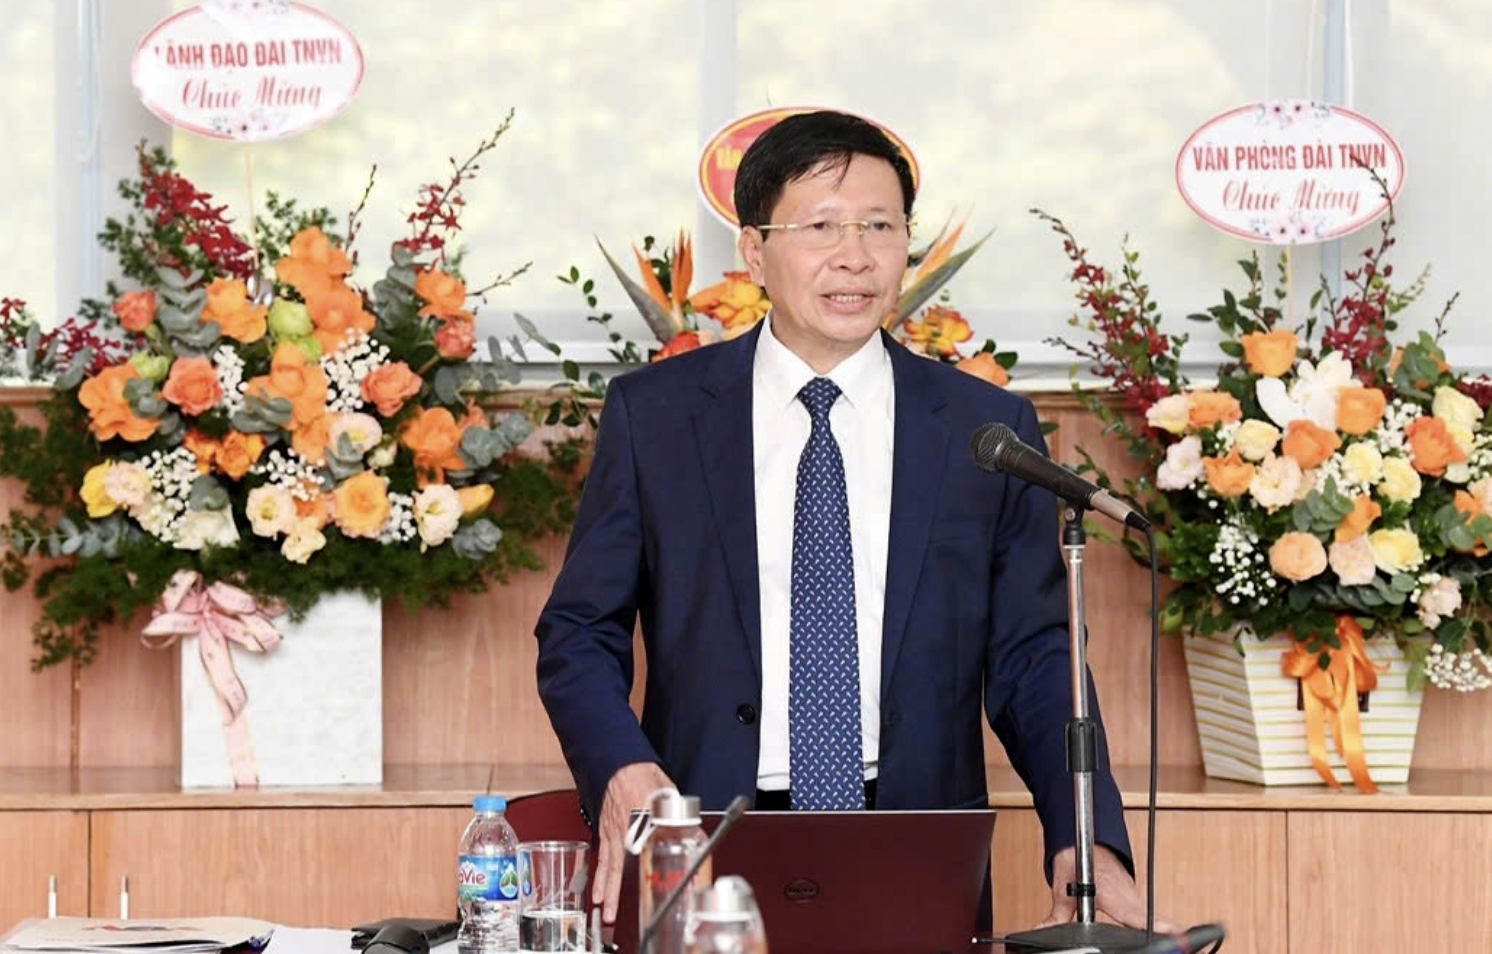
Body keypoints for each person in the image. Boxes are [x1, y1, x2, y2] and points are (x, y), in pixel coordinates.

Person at [535, 109, 1167, 933]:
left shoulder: (984, 430)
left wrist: (1089, 843)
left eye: (880, 226)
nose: (855, 256)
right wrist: (621, 766)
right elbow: (579, 631)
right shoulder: (658, 417)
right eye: (822, 227)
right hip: (703, 837)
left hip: (917, 845)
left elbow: (1035, 662)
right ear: (754, 251)